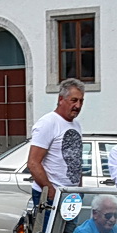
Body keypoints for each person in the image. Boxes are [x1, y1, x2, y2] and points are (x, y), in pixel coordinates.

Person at [27, 79, 86, 212]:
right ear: (61, 99)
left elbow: (76, 160)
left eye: (81, 101)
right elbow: (33, 163)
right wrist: (51, 192)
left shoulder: (76, 125)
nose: (78, 105)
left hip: (72, 196)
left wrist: (79, 189)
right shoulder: (48, 123)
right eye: (74, 100)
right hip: (52, 197)